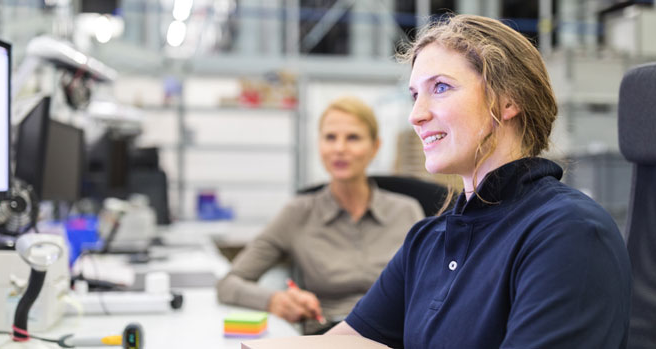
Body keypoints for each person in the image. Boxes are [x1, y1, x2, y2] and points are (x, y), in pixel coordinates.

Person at [327, 14, 632, 348]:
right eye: (415, 95)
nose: (416, 115)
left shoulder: (569, 231)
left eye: (440, 88)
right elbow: (350, 339)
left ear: (508, 100)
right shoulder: (427, 240)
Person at [216, 96, 425, 335]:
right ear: (319, 145)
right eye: (330, 138)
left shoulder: (407, 211)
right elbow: (228, 284)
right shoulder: (297, 214)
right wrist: (274, 300)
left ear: (375, 147)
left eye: (353, 138)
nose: (339, 148)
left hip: (398, 335)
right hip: (329, 333)